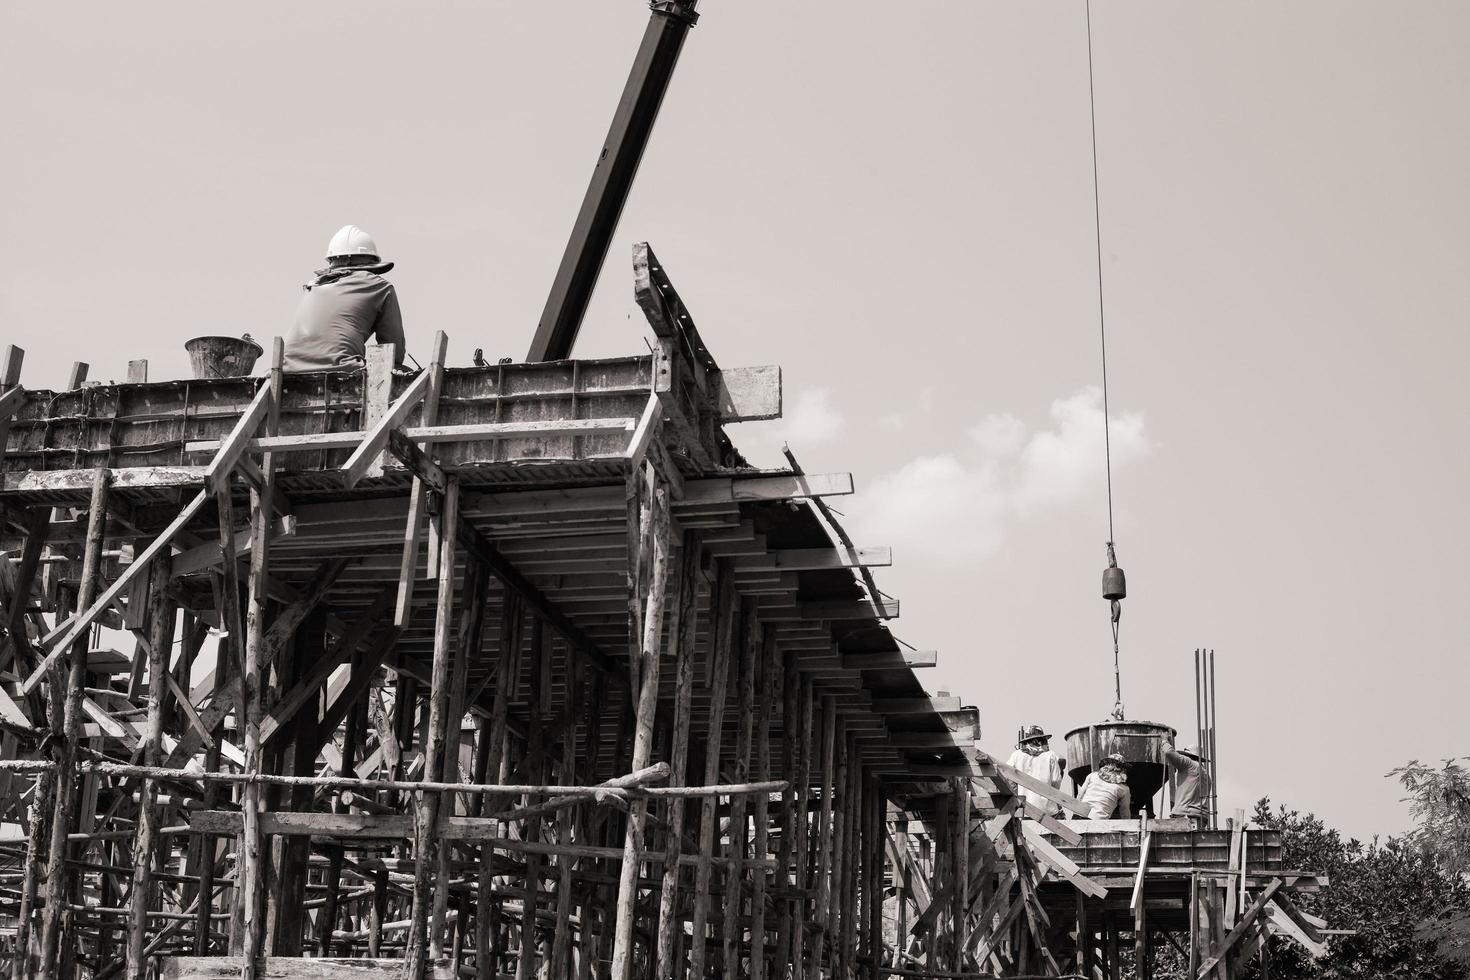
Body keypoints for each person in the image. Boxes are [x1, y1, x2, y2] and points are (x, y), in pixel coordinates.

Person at [283, 225, 406, 372]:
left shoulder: (314, 286)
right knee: (398, 371)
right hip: (343, 369)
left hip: (287, 370)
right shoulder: (380, 286)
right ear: (371, 263)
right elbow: (392, 352)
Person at [1005, 725, 1066, 817]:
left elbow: (1007, 775)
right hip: (1047, 810)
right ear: (1039, 740)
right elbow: (1056, 781)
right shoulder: (1050, 755)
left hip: (1025, 809)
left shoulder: (1016, 755)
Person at [1165, 738, 1212, 828]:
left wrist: (1164, 741)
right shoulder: (1206, 775)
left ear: (1188, 756)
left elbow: (1168, 752)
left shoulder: (1189, 764)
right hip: (1201, 819)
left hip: (1185, 817)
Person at [1076, 753, 1132, 820]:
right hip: (1098, 819)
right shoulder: (1124, 789)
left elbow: (1080, 795)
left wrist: (1075, 813)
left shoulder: (1092, 776)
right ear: (1123, 769)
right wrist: (1128, 825)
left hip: (1080, 814)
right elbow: (1124, 811)